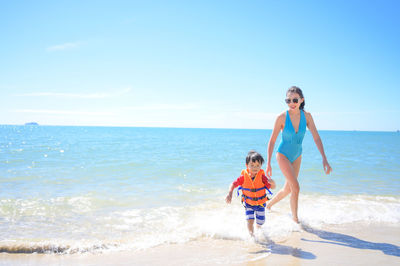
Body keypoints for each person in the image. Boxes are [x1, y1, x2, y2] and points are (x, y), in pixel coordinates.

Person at [265, 86, 332, 223]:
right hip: (282, 154)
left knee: (288, 189)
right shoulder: (281, 118)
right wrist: (269, 163)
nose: (292, 103)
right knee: (296, 187)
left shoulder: (307, 117)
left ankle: (268, 205)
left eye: (295, 100)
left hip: (297, 155)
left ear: (301, 100)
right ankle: (296, 221)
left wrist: (324, 159)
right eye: (288, 100)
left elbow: (317, 138)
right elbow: (272, 141)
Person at [225, 151, 276, 236]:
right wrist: (230, 193)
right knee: (250, 221)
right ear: (247, 165)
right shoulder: (243, 177)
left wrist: (272, 182)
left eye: (257, 165)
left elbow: (272, 187)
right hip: (248, 204)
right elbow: (233, 184)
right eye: (252, 165)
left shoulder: (262, 177)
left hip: (260, 204)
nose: (255, 168)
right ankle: (252, 237)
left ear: (261, 166)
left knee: (261, 222)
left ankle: (258, 227)